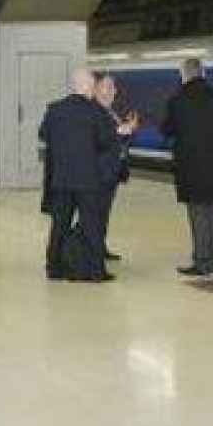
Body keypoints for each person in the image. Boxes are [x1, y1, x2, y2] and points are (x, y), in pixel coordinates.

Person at [39, 70, 122, 282]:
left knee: (60, 224)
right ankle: (95, 270)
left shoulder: (55, 110)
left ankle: (54, 267)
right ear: (88, 87)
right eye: (94, 86)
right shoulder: (97, 112)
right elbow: (106, 142)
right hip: (88, 180)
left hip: (61, 179)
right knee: (92, 224)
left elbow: (43, 135)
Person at [162, 58, 213, 277]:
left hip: (190, 166)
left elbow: (167, 129)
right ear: (203, 73)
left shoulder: (177, 100)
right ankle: (212, 257)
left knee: (198, 214)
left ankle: (202, 262)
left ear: (183, 75)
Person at [92, 74, 139, 261]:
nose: (113, 91)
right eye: (108, 87)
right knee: (96, 213)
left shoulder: (110, 112)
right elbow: (100, 139)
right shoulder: (95, 112)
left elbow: (118, 139)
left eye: (114, 87)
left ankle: (100, 246)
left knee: (104, 213)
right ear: (96, 90)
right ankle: (94, 249)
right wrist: (121, 131)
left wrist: (128, 129)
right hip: (100, 172)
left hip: (111, 171)